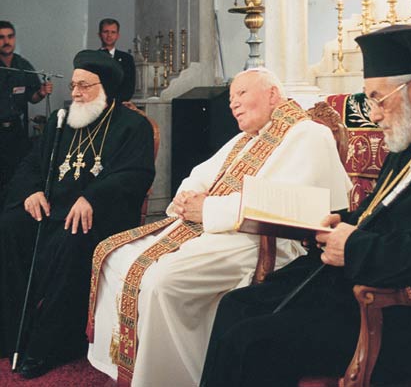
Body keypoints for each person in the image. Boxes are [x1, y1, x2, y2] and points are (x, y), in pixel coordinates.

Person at [200, 25, 411, 387]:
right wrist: (342, 222)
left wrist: (352, 247)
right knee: (236, 306)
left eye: (378, 99)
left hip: (408, 317)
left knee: (252, 341)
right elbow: (383, 213)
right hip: (367, 288)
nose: (374, 114)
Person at [86, 67, 352, 387]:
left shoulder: (310, 134)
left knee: (162, 281)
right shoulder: (245, 139)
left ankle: (175, 379)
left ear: (272, 94)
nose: (232, 104)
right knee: (114, 256)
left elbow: (287, 208)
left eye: (241, 93)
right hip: (219, 229)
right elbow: (200, 174)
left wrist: (207, 208)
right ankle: (131, 369)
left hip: (265, 240)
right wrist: (187, 199)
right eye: (230, 98)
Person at [0, 50, 155, 379]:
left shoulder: (133, 126)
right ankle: (11, 333)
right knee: (9, 227)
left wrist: (92, 197)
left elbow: (136, 175)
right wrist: (31, 191)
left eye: (84, 86)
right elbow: (32, 163)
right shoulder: (62, 119)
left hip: (99, 216)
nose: (74, 93)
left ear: (106, 87)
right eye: (73, 85)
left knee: (70, 241)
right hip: (53, 208)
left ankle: (50, 345)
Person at [0, 20, 53, 204]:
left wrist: (42, 91)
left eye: (10, 36)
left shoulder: (23, 65)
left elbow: (33, 97)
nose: (6, 41)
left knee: (17, 177)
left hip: (16, 134)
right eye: (1, 37)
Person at [98, 18, 136, 102]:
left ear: (118, 35)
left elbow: (129, 87)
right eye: (106, 32)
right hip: (96, 106)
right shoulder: (91, 58)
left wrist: (114, 102)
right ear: (99, 34)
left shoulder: (127, 59)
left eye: (113, 32)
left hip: (119, 106)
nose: (109, 35)